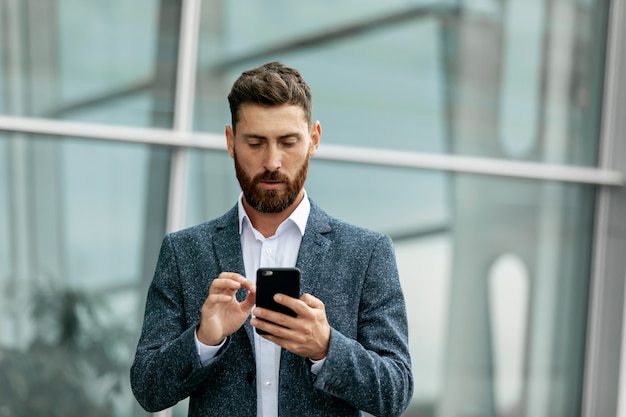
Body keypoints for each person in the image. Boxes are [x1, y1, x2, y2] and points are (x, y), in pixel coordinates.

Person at [130, 62, 413, 417]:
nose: (272, 161)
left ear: (314, 139)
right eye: (255, 143)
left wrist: (326, 347)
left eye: (288, 142)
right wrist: (204, 339)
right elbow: (147, 388)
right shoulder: (183, 251)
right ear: (231, 142)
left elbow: (396, 391)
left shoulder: (367, 253)